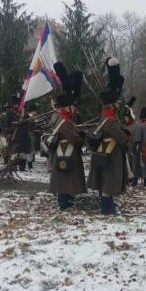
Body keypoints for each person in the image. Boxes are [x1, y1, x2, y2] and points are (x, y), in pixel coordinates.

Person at [87, 57, 131, 215]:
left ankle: (108, 205)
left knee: (107, 182)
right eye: (116, 103)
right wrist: (126, 135)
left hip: (108, 153)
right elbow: (122, 138)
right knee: (108, 182)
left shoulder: (108, 116)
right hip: (110, 154)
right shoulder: (109, 119)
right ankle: (107, 208)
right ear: (111, 104)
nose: (118, 105)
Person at [48, 62, 86, 210]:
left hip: (66, 152)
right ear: (67, 107)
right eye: (72, 106)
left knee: (67, 178)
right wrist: (81, 138)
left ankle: (67, 199)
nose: (74, 108)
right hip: (64, 152)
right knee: (63, 179)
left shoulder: (66, 119)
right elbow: (74, 138)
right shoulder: (64, 120)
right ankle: (64, 202)